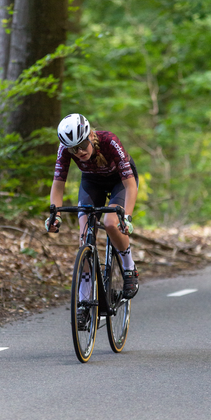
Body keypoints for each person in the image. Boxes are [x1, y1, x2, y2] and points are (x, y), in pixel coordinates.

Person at [45, 113, 139, 299]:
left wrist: (127, 217)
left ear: (90, 136)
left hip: (119, 181)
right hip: (92, 182)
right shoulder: (64, 149)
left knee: (111, 223)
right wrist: (55, 214)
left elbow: (130, 184)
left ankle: (129, 268)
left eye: (81, 145)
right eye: (73, 150)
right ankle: (84, 298)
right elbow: (58, 184)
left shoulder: (109, 141)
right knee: (84, 236)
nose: (79, 152)